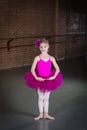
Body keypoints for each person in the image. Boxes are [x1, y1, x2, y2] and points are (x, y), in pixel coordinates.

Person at [25, 38, 63, 121]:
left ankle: (46, 114)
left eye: (45, 46)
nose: (43, 48)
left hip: (49, 80)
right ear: (39, 48)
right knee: (40, 97)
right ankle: (40, 114)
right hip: (39, 80)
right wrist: (36, 77)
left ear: (48, 47)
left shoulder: (51, 58)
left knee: (46, 98)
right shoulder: (37, 58)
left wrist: (53, 77)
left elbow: (57, 69)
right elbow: (32, 69)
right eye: (41, 47)